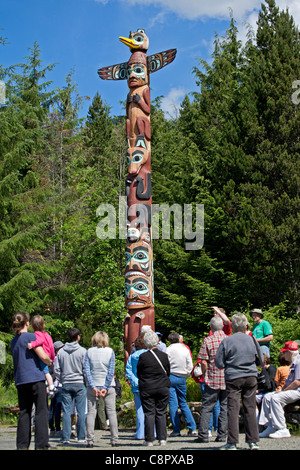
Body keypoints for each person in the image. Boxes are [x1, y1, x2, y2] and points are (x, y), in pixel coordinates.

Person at [215, 313, 263, 450]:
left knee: (233, 408)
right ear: (245, 325)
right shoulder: (252, 339)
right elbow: (260, 359)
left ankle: (232, 442)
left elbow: (218, 363)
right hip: (251, 376)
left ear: (233, 326)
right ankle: (253, 441)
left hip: (234, 377)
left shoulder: (227, 341)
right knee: (250, 407)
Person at [10, 312, 52, 450]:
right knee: (41, 412)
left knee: (24, 413)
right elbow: (42, 356)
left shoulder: (13, 341)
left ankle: (22, 445)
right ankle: (41, 446)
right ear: (27, 323)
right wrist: (49, 361)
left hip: (21, 380)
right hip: (35, 378)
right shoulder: (30, 337)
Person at [258, 341, 300, 439]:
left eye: (284, 352)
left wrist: (283, 391)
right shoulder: (293, 363)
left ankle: (282, 428)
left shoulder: (299, 362)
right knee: (268, 396)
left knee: (276, 398)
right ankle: (270, 426)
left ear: (290, 353)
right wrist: (281, 389)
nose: (283, 355)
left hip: (298, 391)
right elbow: (289, 382)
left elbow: (297, 382)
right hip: (293, 390)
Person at [84, 331, 119, 447]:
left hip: (93, 385)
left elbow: (86, 370)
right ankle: (114, 439)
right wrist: (105, 386)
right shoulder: (110, 352)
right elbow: (111, 371)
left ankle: (90, 440)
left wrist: (93, 386)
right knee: (112, 412)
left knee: (91, 413)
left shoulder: (89, 352)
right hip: (108, 386)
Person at [196, 316, 227, 443]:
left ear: (211, 327)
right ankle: (222, 434)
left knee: (207, 407)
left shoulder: (208, 340)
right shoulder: (228, 340)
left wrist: (204, 375)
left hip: (212, 377)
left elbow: (203, 361)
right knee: (225, 407)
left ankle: (203, 435)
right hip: (227, 378)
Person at [137, 331, 171, 446]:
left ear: (146, 343)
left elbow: (139, 373)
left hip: (147, 387)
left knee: (149, 413)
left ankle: (149, 439)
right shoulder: (164, 356)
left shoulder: (143, 357)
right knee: (161, 412)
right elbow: (168, 371)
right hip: (162, 387)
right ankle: (162, 439)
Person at [54, 327, 87, 445]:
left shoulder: (61, 352)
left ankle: (66, 437)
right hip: (79, 383)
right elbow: (86, 368)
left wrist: (62, 378)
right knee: (80, 411)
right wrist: (85, 380)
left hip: (66, 383)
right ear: (78, 337)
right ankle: (81, 436)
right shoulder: (83, 351)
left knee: (67, 411)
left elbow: (56, 369)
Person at [166, 332, 197, 437]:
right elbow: (190, 364)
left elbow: (165, 363)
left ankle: (176, 429)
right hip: (182, 377)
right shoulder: (185, 349)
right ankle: (192, 427)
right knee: (183, 402)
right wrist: (187, 373)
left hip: (171, 376)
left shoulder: (168, 349)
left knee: (173, 404)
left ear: (169, 340)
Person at [27, 315, 56, 397]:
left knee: (45, 372)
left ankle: (51, 387)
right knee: (47, 372)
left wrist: (32, 344)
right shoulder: (47, 335)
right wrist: (52, 358)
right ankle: (50, 386)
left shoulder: (37, 334)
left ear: (32, 325)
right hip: (49, 356)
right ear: (43, 324)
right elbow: (51, 347)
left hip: (43, 356)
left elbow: (40, 341)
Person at [126, 335, 147, 440]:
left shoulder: (133, 356)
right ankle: (153, 432)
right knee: (151, 409)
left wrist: (134, 381)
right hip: (148, 385)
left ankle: (140, 433)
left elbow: (128, 370)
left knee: (139, 410)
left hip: (136, 386)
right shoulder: (148, 355)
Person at [49, 341, 64, 436]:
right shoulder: (61, 358)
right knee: (58, 407)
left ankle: (51, 427)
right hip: (59, 385)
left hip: (52, 385)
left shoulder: (51, 360)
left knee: (52, 408)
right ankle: (57, 428)